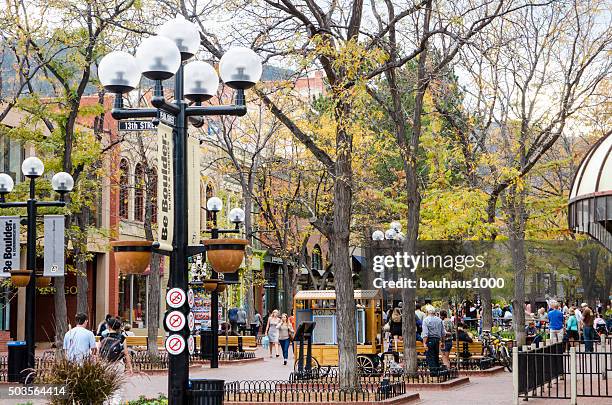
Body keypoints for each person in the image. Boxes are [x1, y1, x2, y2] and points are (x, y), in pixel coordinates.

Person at [422, 307, 445, 374]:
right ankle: (437, 371)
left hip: (430, 339)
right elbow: (443, 332)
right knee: (436, 355)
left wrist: (424, 342)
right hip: (437, 340)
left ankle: (434, 373)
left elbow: (425, 333)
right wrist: (443, 341)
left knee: (431, 356)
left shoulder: (426, 320)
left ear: (427, 312)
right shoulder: (439, 320)